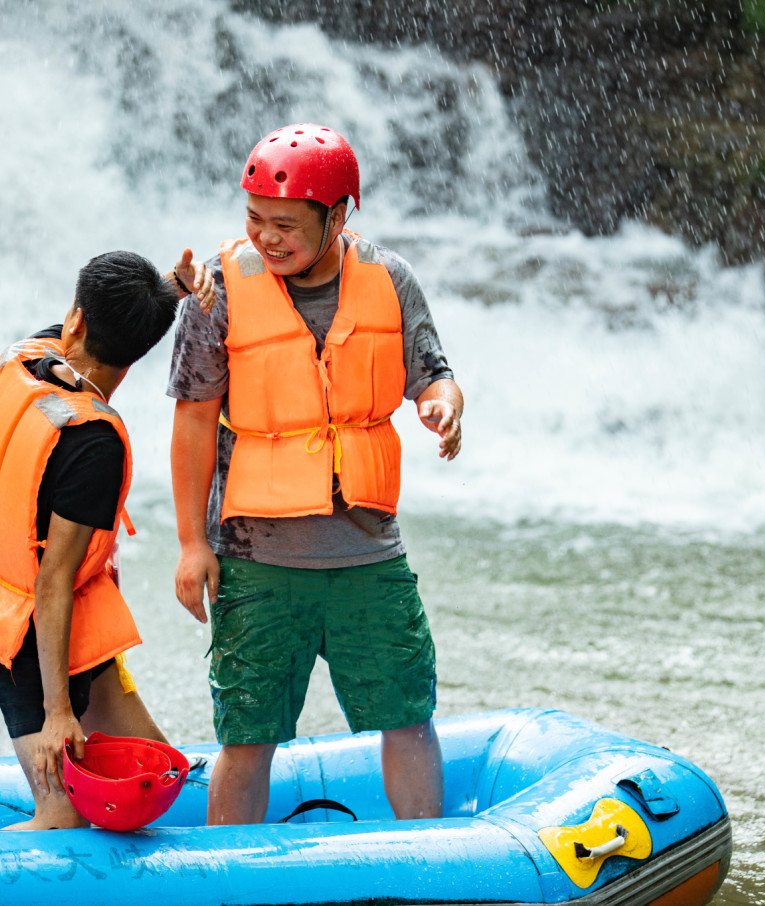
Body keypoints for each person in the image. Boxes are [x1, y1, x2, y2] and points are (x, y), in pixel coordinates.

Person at [169, 124, 463, 825]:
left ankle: (429, 865)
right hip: (256, 559)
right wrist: (190, 544)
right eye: (254, 220)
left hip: (369, 556)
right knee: (247, 737)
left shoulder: (389, 280)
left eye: (285, 225)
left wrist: (444, 407)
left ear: (338, 216)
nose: (267, 238)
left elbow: (434, 373)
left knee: (408, 715)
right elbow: (192, 421)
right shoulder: (217, 293)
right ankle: (226, 885)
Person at [0, 248, 215, 830]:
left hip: (55, 618)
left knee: (158, 775)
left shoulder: (28, 356)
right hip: (17, 646)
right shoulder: (93, 446)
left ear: (75, 321)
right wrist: (56, 715)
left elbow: (107, 319)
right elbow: (51, 583)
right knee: (62, 822)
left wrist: (168, 290)